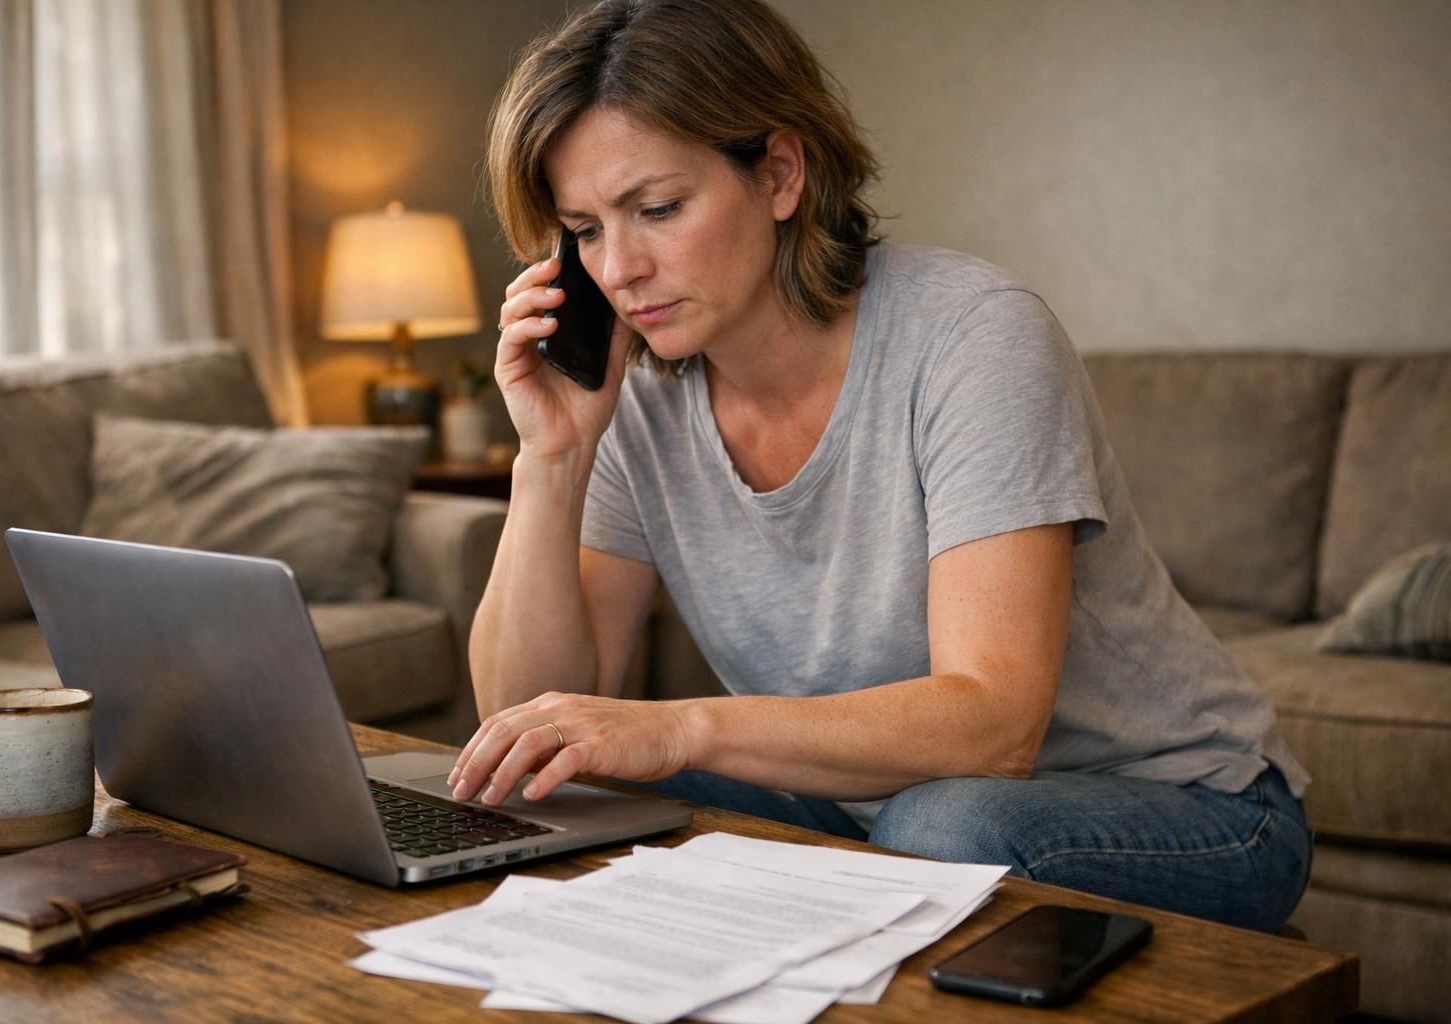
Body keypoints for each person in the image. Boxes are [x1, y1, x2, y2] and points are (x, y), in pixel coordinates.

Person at [451, 0, 1311, 932]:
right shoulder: (638, 393)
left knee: (944, 822)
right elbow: (520, 723)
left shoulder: (974, 336)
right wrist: (554, 453)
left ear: (780, 173)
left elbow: (995, 725)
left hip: (1191, 808)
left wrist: (683, 724)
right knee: (574, 780)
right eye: (583, 230)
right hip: (877, 808)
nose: (618, 268)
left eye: (656, 209)